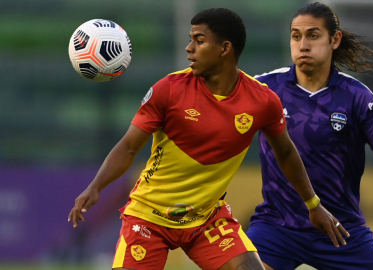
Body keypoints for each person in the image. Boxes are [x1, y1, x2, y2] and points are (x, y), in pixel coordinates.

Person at [68, 8, 348, 270]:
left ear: (225, 49)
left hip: (206, 219)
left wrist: (313, 204)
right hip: (148, 217)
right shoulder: (169, 90)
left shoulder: (262, 101)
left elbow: (286, 153)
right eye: (190, 40)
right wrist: (95, 187)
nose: (189, 48)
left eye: (199, 41)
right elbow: (129, 147)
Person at [246, 2, 373, 270]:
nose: (303, 45)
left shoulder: (358, 98)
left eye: (313, 36)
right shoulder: (265, 88)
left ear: (334, 40)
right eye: (296, 36)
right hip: (277, 226)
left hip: (341, 230)